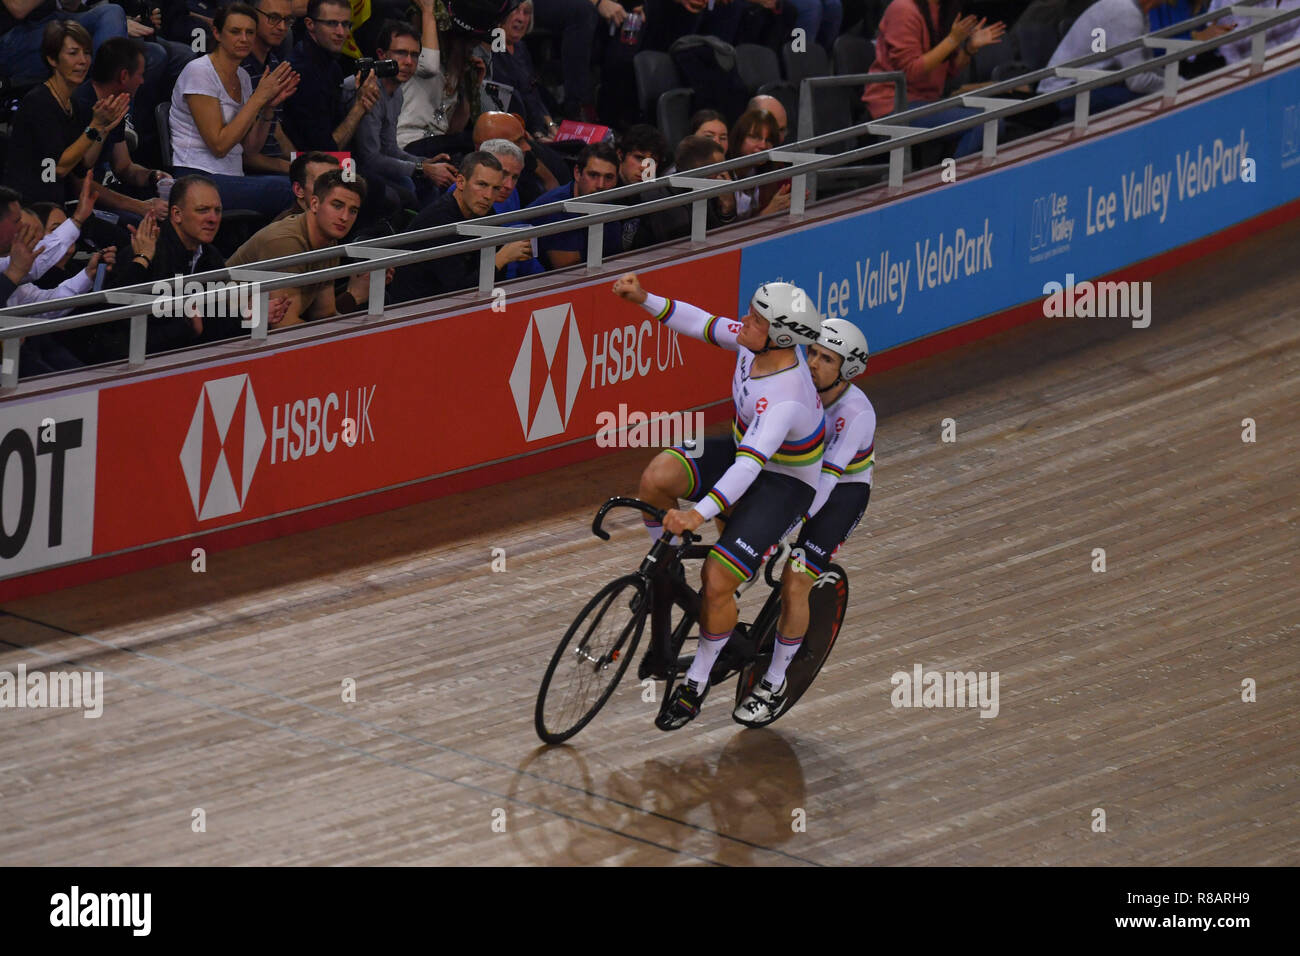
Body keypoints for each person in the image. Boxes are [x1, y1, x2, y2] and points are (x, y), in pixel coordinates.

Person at [613, 271, 826, 730]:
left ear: (782, 336)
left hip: (783, 480)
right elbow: (702, 323)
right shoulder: (754, 342)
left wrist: (696, 514)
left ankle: (696, 680)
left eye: (757, 318)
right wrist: (644, 298)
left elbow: (749, 468)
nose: (744, 319)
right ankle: (667, 568)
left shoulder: (785, 395)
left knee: (715, 579)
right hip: (744, 448)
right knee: (655, 478)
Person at [736, 317, 875, 724]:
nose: (813, 363)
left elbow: (827, 483)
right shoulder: (796, 384)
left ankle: (775, 681)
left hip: (840, 491)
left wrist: (786, 530)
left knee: (797, 578)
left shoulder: (856, 413)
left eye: (826, 359)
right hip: (798, 476)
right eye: (811, 352)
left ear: (845, 370)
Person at [168, 3, 300, 216]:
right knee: (292, 190)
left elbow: (249, 149)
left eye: (250, 32)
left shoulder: (243, 77)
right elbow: (219, 145)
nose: (244, 39)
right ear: (217, 33)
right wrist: (258, 99)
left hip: (233, 175)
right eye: (235, 32)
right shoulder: (199, 71)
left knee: (304, 185)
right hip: (198, 177)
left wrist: (267, 108)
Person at [227, 169, 383, 323]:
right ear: (314, 204)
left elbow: (323, 314)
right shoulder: (286, 242)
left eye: (353, 211)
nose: (344, 217)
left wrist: (354, 296)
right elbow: (283, 326)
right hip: (224, 335)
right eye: (337, 206)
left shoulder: (329, 240)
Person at [2, 21, 130, 207]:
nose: (83, 61)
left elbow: (83, 163)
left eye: (86, 53)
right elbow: (58, 168)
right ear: (52, 59)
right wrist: (95, 124)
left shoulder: (73, 104)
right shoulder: (38, 102)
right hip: (28, 209)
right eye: (73, 53)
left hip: (56, 204)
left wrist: (103, 129)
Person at [862, 0, 1006, 157]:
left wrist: (969, 49)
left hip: (927, 101)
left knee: (997, 117)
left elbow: (948, 72)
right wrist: (952, 40)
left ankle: (951, 175)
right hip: (896, 105)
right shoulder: (903, 8)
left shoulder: (942, 9)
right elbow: (910, 72)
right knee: (988, 124)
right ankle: (950, 180)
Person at [344, 19, 458, 211]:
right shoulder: (367, 86)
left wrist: (423, 163)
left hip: (364, 165)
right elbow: (369, 158)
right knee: (404, 194)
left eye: (414, 55)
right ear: (382, 54)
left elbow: (389, 148)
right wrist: (422, 169)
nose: (408, 62)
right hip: (346, 165)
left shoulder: (396, 92)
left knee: (424, 184)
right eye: (401, 53)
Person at [388, 150, 532, 301]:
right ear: (461, 182)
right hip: (415, 310)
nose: (488, 196)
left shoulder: (486, 213)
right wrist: (501, 258)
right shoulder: (438, 221)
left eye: (495, 188)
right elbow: (459, 291)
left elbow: (491, 280)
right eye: (482, 185)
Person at [73, 37, 172, 223]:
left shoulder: (115, 103)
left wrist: (153, 176)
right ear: (124, 76)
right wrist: (141, 207)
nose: (142, 81)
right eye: (140, 75)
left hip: (106, 194)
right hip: (80, 205)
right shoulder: (79, 105)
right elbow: (80, 183)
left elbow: (123, 166)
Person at [1038, 0, 1172, 114]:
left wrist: (1181, 82)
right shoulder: (1125, 12)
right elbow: (1138, 81)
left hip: (1094, 82)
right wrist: (1178, 87)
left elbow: (1146, 67)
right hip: (1066, 90)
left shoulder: (1137, 11)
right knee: (1153, 101)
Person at [282, 0, 381, 151]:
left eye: (346, 24)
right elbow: (324, 151)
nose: (341, 33)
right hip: (304, 167)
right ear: (310, 24)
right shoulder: (300, 72)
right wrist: (360, 107)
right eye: (332, 23)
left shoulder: (332, 66)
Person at [397, 0, 489, 159]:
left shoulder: (452, 73)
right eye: (467, 42)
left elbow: (454, 130)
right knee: (479, 141)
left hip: (436, 147)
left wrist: (471, 88)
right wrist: (428, 11)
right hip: (407, 145)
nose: (470, 49)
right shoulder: (416, 61)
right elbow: (430, 67)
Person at [526, 141, 624, 269]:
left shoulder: (605, 203)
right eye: (593, 175)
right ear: (577, 173)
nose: (601, 185)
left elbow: (615, 258)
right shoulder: (556, 208)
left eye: (609, 177)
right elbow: (570, 273)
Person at [630, 134, 738, 249]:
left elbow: (725, 240)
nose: (724, 175)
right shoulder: (658, 197)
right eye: (719, 169)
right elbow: (682, 246)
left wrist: (727, 209)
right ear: (700, 169)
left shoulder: (714, 192)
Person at [241, 0, 299, 174]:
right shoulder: (238, 68)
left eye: (287, 20)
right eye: (273, 18)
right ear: (252, 15)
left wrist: (303, 162)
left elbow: (277, 132)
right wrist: (298, 171)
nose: (282, 27)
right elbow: (244, 156)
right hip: (254, 173)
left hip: (277, 165)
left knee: (350, 172)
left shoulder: (274, 64)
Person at [728, 108, 791, 219]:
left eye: (768, 140)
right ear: (739, 138)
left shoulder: (774, 170)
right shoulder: (722, 173)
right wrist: (767, 213)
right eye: (755, 137)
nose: (763, 145)